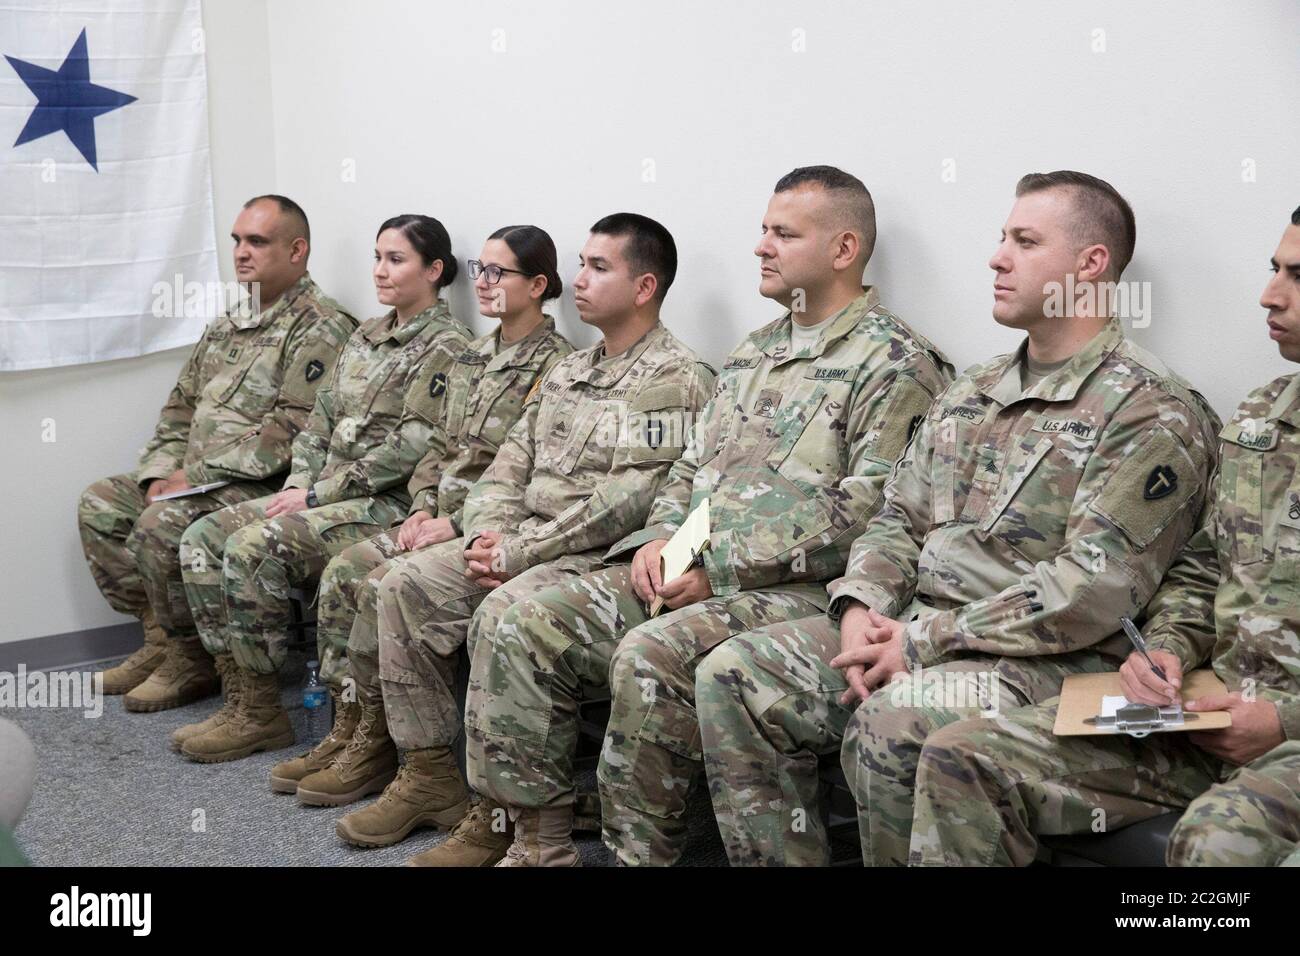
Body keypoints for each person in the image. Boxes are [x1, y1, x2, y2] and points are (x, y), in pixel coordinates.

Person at [699, 170, 1221, 867]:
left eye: (1024, 241)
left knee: (893, 721)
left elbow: (1090, 590)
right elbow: (896, 517)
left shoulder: (1148, 410)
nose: (996, 257)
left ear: (1090, 265)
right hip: (911, 623)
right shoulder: (973, 391)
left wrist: (923, 641)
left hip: (1043, 658)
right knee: (737, 675)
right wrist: (861, 607)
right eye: (1002, 237)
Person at [470, 166, 955, 867]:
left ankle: (645, 856)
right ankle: (539, 844)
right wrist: (665, 538)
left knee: (649, 654)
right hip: (695, 565)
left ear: (844, 250)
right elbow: (692, 469)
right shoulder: (755, 353)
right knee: (519, 616)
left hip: (801, 590)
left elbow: (868, 508)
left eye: (784, 233)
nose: (761, 246)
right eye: (763, 229)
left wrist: (720, 565)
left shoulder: (894, 362)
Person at [905, 205, 1300, 867]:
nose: (1269, 293)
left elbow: (1089, 581)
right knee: (961, 757)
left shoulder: (1149, 403)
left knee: (1217, 844)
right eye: (1274, 269)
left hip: (1283, 736)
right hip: (1203, 713)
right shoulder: (1263, 419)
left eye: (1297, 275)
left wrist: (1285, 722)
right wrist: (1167, 651)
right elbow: (1204, 569)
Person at [329, 213, 714, 866]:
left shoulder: (672, 379)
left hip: (597, 558)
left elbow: (626, 503)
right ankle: (430, 776)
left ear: (645, 287)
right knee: (404, 582)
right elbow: (508, 461)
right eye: (581, 263)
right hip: (523, 539)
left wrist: (519, 553)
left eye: (598, 267)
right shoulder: (568, 372)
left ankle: (525, 829)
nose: (579, 279)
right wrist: (487, 534)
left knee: (510, 616)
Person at [265, 224, 573, 796]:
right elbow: (439, 446)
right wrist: (424, 504)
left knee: (381, 581)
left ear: (537, 285)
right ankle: (357, 728)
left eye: (497, 272)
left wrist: (454, 522)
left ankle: (403, 756)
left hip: (488, 527)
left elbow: (528, 472)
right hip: (435, 515)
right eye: (479, 269)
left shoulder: (556, 366)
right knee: (345, 572)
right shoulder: (471, 356)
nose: (482, 282)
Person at [172, 214, 472, 763]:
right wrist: (302, 480)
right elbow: (320, 419)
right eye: (377, 256)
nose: (380, 271)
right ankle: (245, 694)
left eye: (396, 259)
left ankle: (272, 714)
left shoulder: (448, 347)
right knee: (203, 535)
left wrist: (316, 495)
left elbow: (410, 447)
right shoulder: (366, 334)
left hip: (386, 503)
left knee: (252, 548)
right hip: (324, 490)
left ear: (434, 271)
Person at [76, 195, 355, 710]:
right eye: (236, 240)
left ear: (297, 251)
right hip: (197, 480)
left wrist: (194, 475)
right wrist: (160, 473)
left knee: (161, 525)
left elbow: (292, 432)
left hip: (262, 486)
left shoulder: (322, 327)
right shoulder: (230, 321)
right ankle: (164, 639)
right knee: (102, 504)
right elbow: (180, 407)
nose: (241, 252)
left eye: (257, 241)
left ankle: (193, 659)